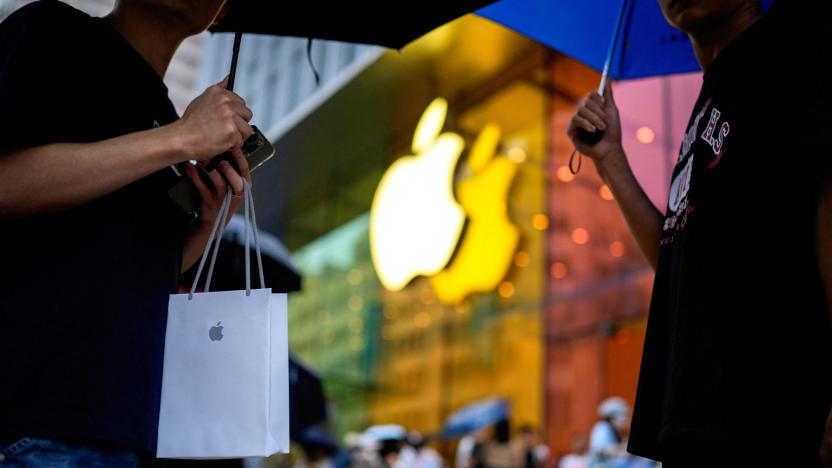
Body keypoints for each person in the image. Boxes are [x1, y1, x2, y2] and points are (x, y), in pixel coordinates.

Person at [567, 0, 832, 466]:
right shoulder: (713, 95)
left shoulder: (795, 44)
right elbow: (681, 268)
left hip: (779, 420)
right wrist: (610, 159)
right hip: (701, 424)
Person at [0, 0, 255, 466]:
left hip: (124, 430)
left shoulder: (163, 110)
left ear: (220, 12)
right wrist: (179, 138)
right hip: (32, 421)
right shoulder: (50, 29)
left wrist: (206, 224)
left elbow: (128, 279)